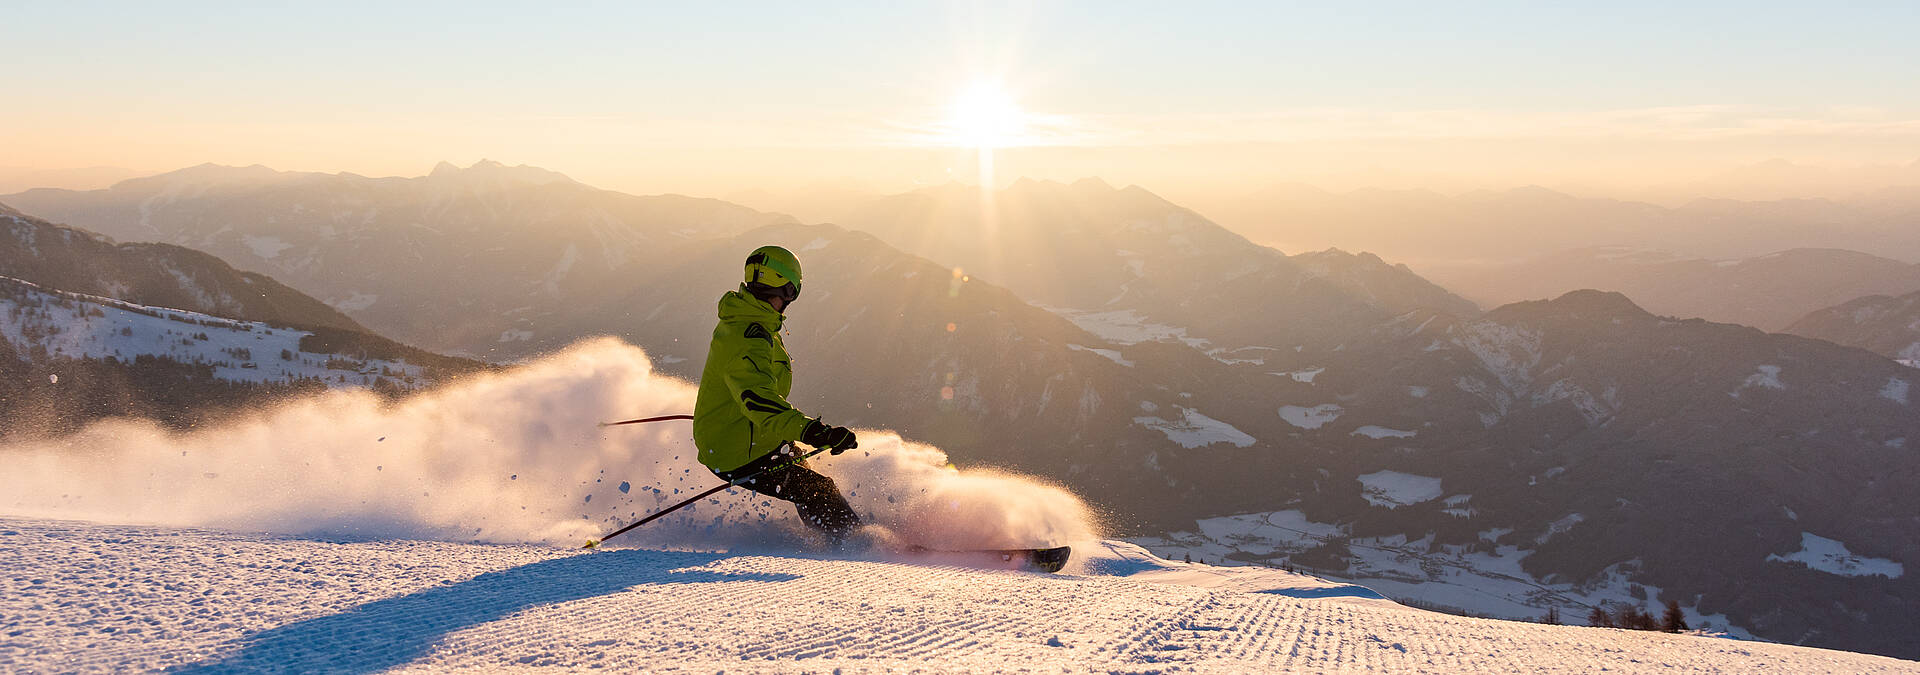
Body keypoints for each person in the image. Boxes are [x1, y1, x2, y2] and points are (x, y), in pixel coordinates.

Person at [692, 245, 863, 545]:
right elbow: (760, 402)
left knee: (809, 481)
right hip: (738, 451)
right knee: (818, 489)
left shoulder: (747, 319)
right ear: (784, 289)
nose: (790, 302)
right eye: (791, 293)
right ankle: (857, 546)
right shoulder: (750, 336)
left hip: (751, 435)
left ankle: (836, 533)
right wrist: (815, 432)